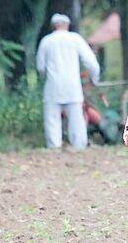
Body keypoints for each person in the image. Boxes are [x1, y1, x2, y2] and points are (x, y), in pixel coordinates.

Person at [35, 13, 101, 150]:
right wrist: (94, 78)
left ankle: (54, 147)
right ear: (67, 25)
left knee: (52, 119)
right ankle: (79, 146)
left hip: (53, 86)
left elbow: (40, 67)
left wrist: (44, 77)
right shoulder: (75, 39)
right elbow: (91, 63)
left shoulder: (46, 41)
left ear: (53, 26)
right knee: (76, 119)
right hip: (73, 86)